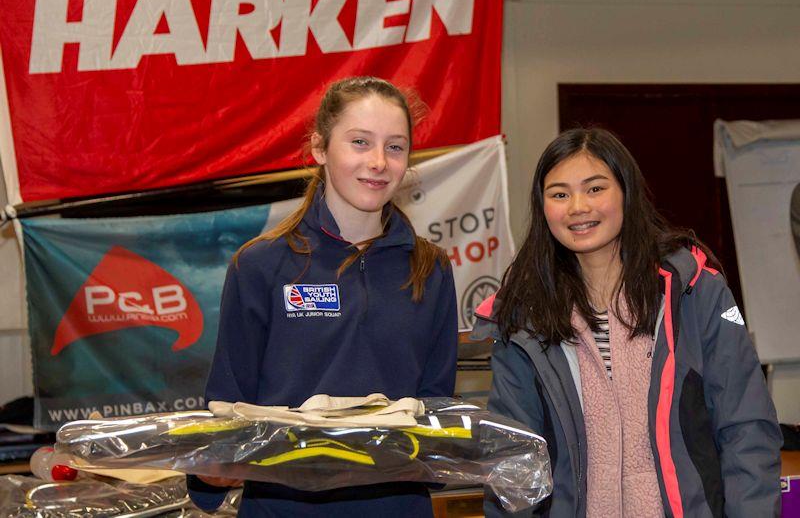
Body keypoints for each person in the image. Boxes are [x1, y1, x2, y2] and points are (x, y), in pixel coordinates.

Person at [473, 128, 782, 517]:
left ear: (626, 192)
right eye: (560, 194)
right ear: (543, 207)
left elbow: (746, 426)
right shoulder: (525, 316)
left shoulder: (693, 290)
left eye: (595, 188)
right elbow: (512, 462)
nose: (578, 207)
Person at [188, 76, 458, 517]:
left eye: (395, 147)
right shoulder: (260, 265)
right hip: (282, 510)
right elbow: (225, 405)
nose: (378, 162)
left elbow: (437, 411)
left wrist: (445, 454)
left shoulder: (430, 269)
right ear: (319, 148)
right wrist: (210, 471)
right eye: (359, 142)